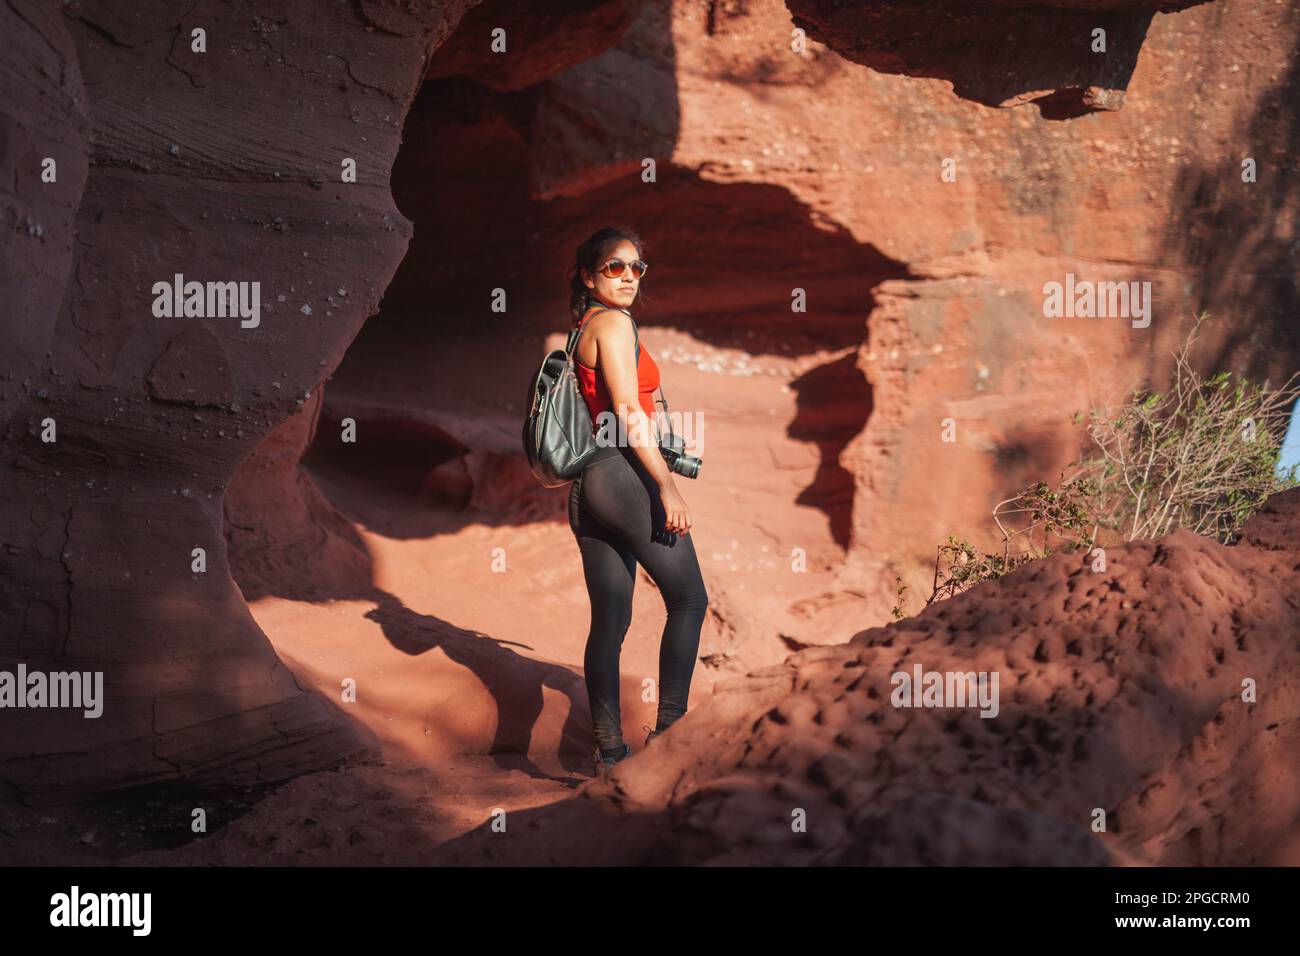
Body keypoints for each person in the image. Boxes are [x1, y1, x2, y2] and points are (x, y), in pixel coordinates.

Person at [564, 226, 709, 778]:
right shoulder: (615, 324)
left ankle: (609, 753)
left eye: (636, 269)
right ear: (588, 274)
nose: (627, 278)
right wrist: (665, 486)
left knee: (610, 622)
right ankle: (671, 734)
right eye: (614, 268)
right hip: (625, 476)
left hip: (590, 483)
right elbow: (627, 411)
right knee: (690, 600)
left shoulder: (581, 327)